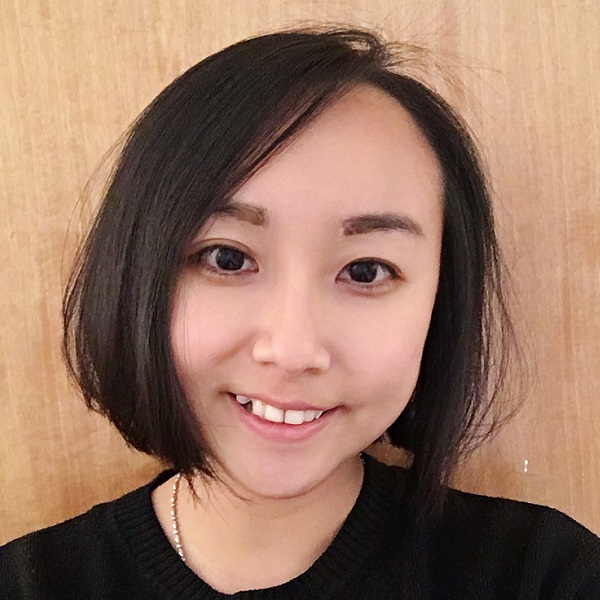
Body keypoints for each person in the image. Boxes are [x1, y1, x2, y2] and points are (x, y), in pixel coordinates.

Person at [1, 27, 599, 599]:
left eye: (366, 271)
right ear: (137, 274)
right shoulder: (32, 584)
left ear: (441, 306)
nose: (291, 350)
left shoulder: (545, 576)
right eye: (227, 258)